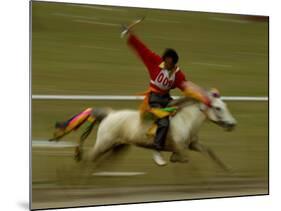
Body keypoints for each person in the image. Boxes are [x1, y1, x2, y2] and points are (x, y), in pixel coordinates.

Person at [124, 30, 212, 166]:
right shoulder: (154, 61)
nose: (166, 64)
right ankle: (157, 151)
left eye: (170, 63)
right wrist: (130, 36)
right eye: (165, 61)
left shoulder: (177, 74)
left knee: (182, 112)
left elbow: (186, 87)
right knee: (164, 121)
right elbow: (142, 49)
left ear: (174, 63)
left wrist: (202, 95)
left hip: (166, 98)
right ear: (163, 59)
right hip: (154, 99)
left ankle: (178, 148)